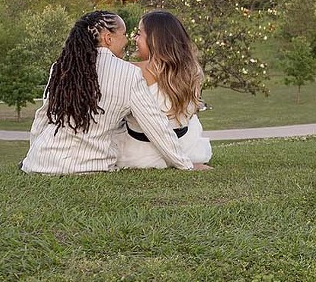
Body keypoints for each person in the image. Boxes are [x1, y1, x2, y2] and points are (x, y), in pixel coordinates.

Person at [21, 10, 196, 174]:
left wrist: (31, 157)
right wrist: (185, 164)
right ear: (108, 38)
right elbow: (156, 125)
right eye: (124, 35)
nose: (127, 41)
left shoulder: (61, 67)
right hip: (89, 166)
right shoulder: (129, 73)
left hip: (40, 162)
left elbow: (43, 117)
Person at [117, 10, 213, 170]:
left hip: (140, 153)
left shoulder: (132, 70)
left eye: (139, 34)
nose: (135, 39)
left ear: (155, 41)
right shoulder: (191, 69)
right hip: (187, 148)